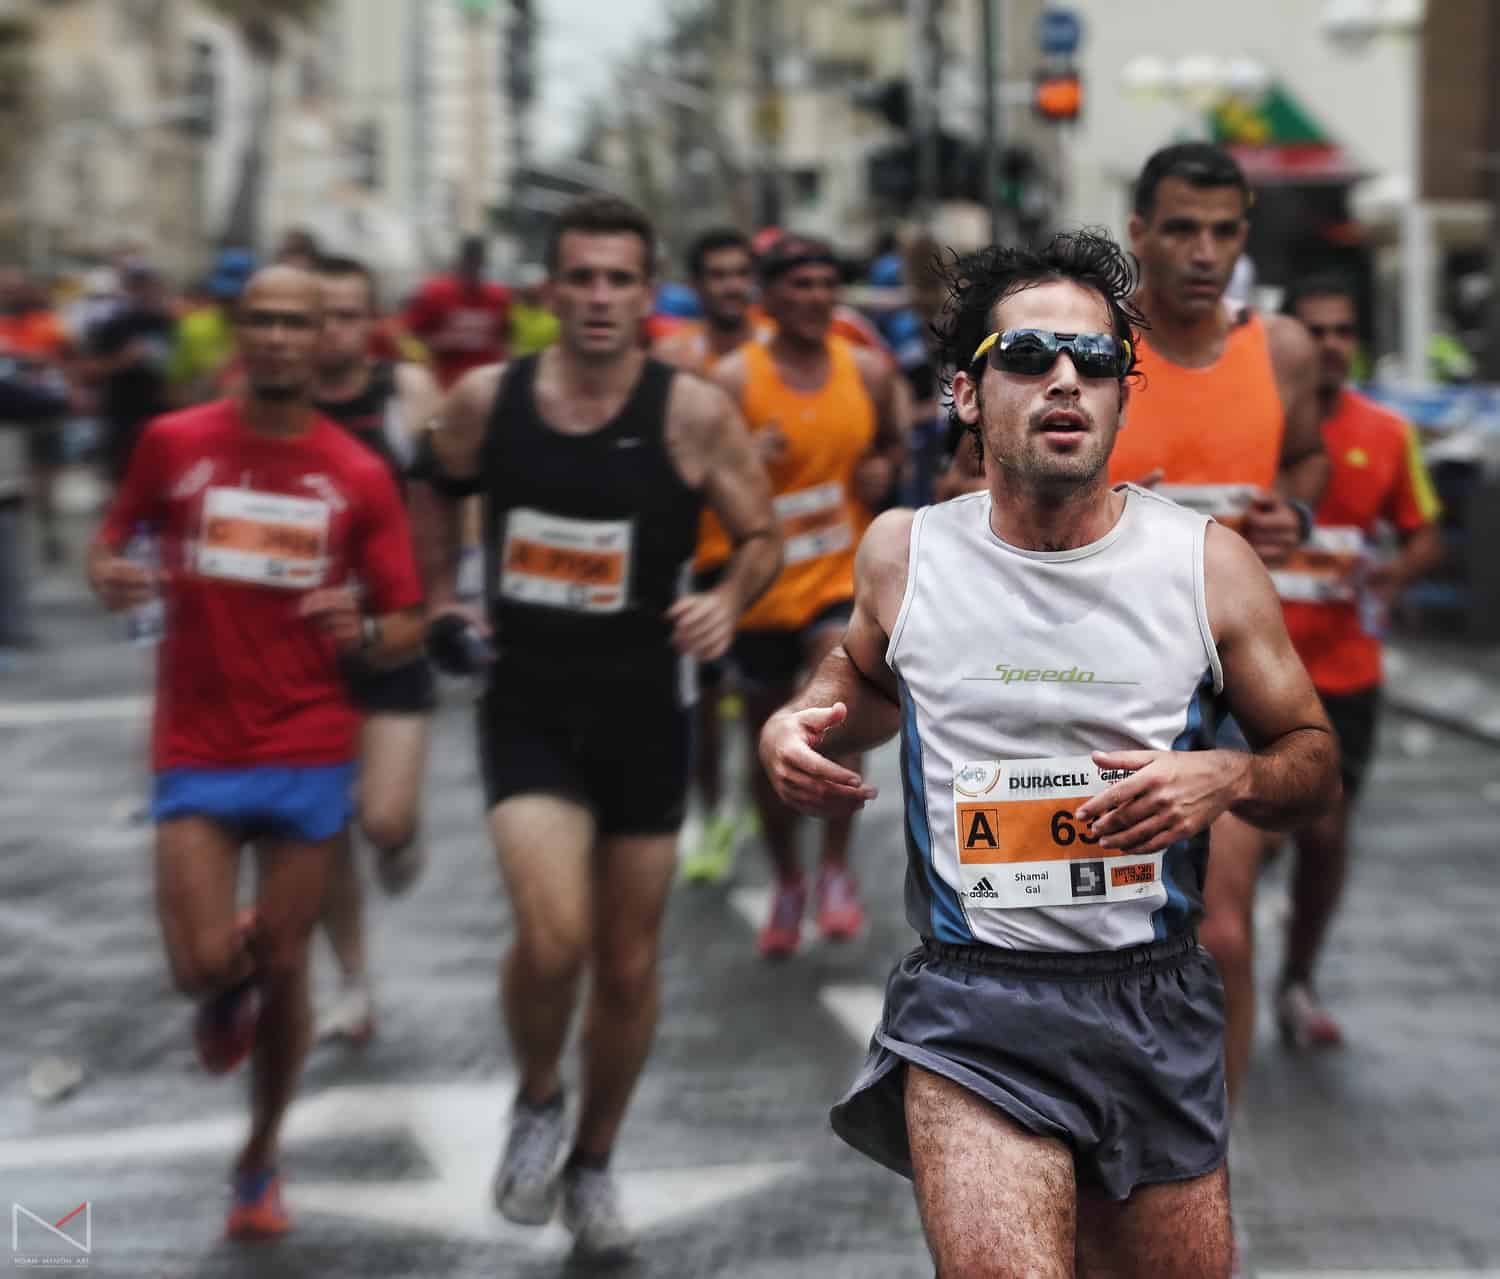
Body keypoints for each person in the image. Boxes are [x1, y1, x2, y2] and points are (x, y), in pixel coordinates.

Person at [760, 231, 1339, 1278]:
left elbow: (1311, 759)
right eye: (1026, 357)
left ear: (1124, 395)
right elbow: (865, 682)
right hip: (975, 1000)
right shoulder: (908, 552)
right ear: (969, 394)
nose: (1064, 379)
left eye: (1096, 361)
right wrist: (802, 716)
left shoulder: (1205, 567)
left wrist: (1233, 776)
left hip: (1151, 999)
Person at [412, 196, 780, 1259]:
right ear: (550, 289)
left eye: (621, 279)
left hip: (645, 710)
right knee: (555, 935)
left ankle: (595, 1160)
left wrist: (728, 600)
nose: (600, 298)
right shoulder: (488, 398)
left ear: (646, 289)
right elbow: (433, 488)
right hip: (526, 701)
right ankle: (537, 1100)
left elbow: (757, 534)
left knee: (624, 964)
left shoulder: (693, 411)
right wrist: (446, 595)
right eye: (581, 278)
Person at [86, 266, 426, 1240]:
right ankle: (225, 968)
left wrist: (362, 626)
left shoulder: (356, 472)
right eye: (263, 321)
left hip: (309, 744)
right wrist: (109, 568)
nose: (279, 338)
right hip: (195, 741)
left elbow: (404, 623)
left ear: (329, 337)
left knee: (285, 967)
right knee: (203, 966)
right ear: (240, 331)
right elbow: (113, 541)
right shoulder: (173, 442)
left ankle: (260, 1155)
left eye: (299, 323)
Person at [1109, 142, 1324, 1105]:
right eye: (1183, 229)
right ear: (1139, 233)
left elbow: (1308, 461)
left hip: (1233, 680)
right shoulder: (1091, 350)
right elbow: (969, 484)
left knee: (1221, 929)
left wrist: (1296, 511)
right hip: (1102, 676)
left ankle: (1206, 1178)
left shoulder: (1278, 348)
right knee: (1103, 928)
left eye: (1224, 231)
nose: (1205, 252)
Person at [712, 233, 904, 957]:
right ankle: (788, 875)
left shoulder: (866, 369)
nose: (817, 297)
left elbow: (893, 445)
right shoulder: (731, 380)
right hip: (760, 586)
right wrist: (738, 465)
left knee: (834, 713)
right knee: (770, 741)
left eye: (828, 282)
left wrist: (884, 470)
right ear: (768, 297)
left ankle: (834, 868)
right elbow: (694, 472)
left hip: (837, 581)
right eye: (799, 284)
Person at [1270, 275, 1445, 1047]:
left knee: (1326, 837)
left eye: (1344, 330)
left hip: (1345, 676)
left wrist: (1396, 572)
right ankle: (1214, 975)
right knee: (1250, 838)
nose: (1332, 344)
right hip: (1251, 674)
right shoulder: (1260, 426)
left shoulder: (1389, 433)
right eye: (1316, 330)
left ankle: (1297, 976)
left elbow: (1423, 531)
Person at [310, 255, 445, 1044]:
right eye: (319, 314)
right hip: (305, 645)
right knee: (325, 822)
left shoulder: (406, 393)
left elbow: (446, 494)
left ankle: (397, 838)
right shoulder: (277, 404)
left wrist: (446, 595)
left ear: (372, 321)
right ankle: (352, 982)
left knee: (383, 821)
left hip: (396, 631)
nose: (333, 330)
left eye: (348, 313)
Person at [653, 227, 765, 882]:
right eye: (716, 274)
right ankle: (711, 809)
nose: (730, 286)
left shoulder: (779, 355)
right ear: (696, 287)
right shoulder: (672, 360)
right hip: (695, 553)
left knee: (764, 697)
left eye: (738, 273)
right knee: (701, 696)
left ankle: (754, 796)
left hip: (765, 554)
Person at [86, 262, 176, 485]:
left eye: (149, 286)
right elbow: (91, 369)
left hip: (160, 409)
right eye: (137, 286)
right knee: (122, 474)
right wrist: (124, 360)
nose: (144, 292)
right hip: (121, 411)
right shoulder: (112, 325)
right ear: (127, 289)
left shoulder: (170, 323)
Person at [404, 235, 512, 389]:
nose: (473, 268)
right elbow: (409, 336)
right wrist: (427, 356)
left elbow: (506, 341)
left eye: (477, 262)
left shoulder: (498, 297)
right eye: (470, 261)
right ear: (461, 262)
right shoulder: (435, 293)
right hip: (442, 385)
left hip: (485, 390)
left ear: (484, 263)